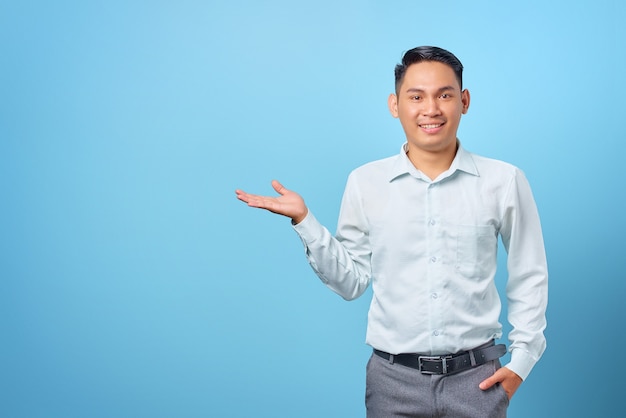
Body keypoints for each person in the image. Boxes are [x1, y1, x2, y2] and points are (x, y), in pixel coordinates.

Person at [235, 46, 547, 418]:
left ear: (464, 101)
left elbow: (529, 273)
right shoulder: (365, 182)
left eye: (444, 95)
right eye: (416, 96)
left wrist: (522, 362)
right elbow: (351, 283)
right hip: (393, 383)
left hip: (477, 380)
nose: (430, 109)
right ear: (395, 105)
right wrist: (305, 221)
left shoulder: (504, 180)